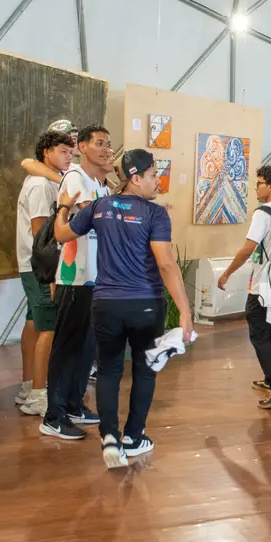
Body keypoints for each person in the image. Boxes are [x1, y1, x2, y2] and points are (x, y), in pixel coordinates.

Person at [54, 149, 192, 467]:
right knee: (144, 370)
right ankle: (133, 436)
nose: (158, 182)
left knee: (109, 370)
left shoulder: (99, 207)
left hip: (105, 305)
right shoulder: (155, 214)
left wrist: (63, 207)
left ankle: (110, 439)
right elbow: (166, 265)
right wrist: (185, 311)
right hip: (145, 304)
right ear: (136, 178)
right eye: (153, 175)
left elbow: (61, 234)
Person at [32, 124, 112, 435]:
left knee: (86, 347)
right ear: (83, 147)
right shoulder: (75, 177)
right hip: (74, 277)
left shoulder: (102, 185)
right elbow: (93, 217)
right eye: (100, 143)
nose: (106, 150)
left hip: (96, 278)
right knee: (66, 347)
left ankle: (74, 405)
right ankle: (53, 416)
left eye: (108, 144)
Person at [219, 166, 271, 409]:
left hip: (264, 285)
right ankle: (270, 378)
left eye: (259, 183)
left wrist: (227, 273)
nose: (256, 188)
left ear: (270, 186)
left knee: (259, 335)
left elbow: (248, 248)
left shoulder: (263, 213)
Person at [14, 131, 73, 411]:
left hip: (36, 265)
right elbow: (41, 234)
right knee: (48, 327)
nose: (68, 156)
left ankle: (29, 386)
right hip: (40, 266)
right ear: (46, 152)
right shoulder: (40, 184)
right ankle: (38, 395)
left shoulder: (49, 180)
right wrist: (51, 272)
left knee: (34, 322)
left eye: (71, 152)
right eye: (63, 151)